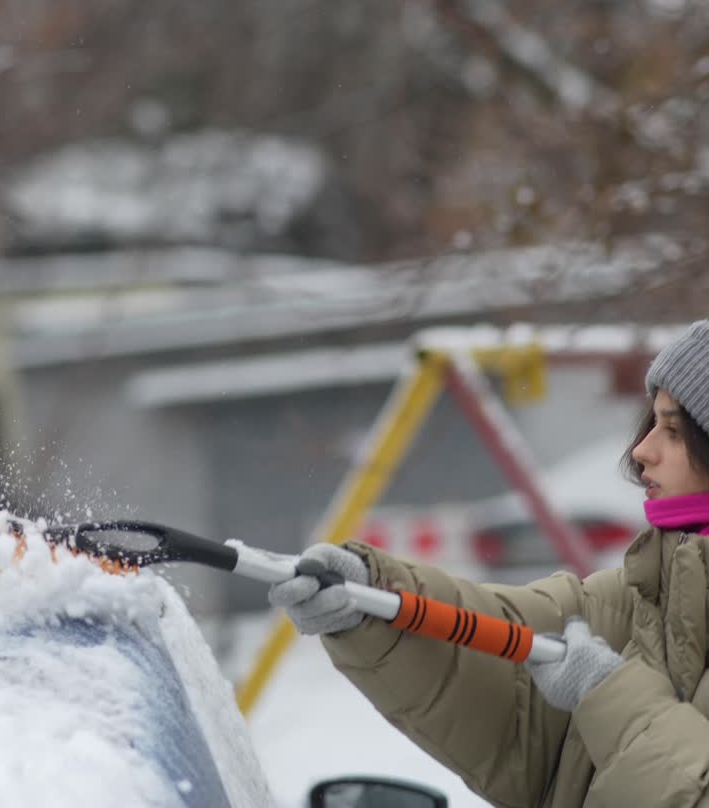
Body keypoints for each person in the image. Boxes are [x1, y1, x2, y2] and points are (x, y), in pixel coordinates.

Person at [268, 320, 709, 808]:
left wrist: (608, 695)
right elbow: (495, 641)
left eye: (673, 430)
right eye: (652, 423)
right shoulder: (641, 598)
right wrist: (372, 601)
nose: (642, 449)